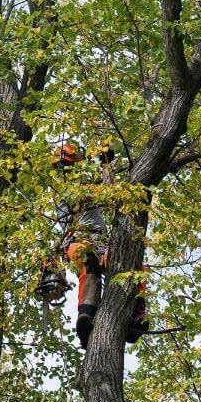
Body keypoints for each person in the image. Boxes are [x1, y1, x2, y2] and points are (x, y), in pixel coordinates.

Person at [38, 142, 148, 349]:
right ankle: (86, 316)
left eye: (70, 166)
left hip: (102, 241)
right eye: (65, 167)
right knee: (89, 264)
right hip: (78, 241)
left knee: (135, 267)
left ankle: (136, 315)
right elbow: (107, 194)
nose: (68, 171)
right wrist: (102, 164)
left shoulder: (83, 186)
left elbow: (113, 195)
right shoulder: (65, 191)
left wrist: (106, 165)